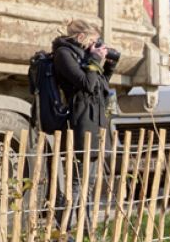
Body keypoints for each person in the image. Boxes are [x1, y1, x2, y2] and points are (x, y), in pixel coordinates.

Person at [49, 19, 119, 223]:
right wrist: (95, 60)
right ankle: (65, 230)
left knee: (90, 182)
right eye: (93, 41)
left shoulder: (84, 56)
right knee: (77, 181)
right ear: (81, 37)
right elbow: (86, 84)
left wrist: (109, 66)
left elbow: (100, 86)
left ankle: (83, 227)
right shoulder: (64, 54)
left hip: (95, 121)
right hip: (80, 122)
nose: (94, 46)